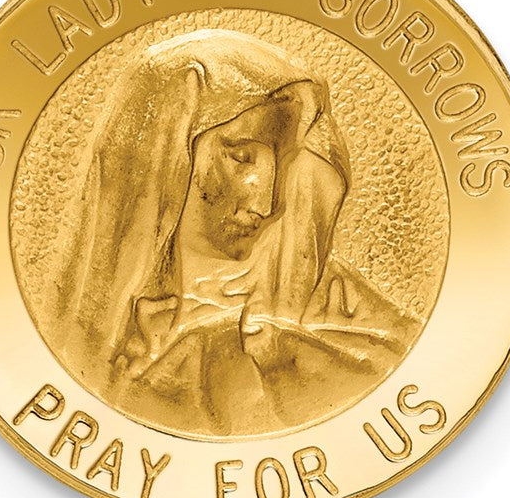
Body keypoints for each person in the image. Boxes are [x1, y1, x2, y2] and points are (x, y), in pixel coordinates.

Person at [56, 28, 419, 437]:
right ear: (167, 158)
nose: (268, 203)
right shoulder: (96, 330)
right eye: (242, 157)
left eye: (286, 164)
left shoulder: (341, 307)